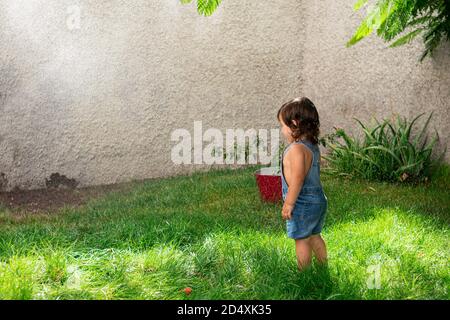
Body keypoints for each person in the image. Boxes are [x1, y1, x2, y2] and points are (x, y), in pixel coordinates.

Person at [277, 97, 328, 271]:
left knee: (302, 240)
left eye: (283, 126)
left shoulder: (297, 149)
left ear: (294, 123)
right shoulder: (312, 146)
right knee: (314, 236)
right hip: (318, 199)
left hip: (302, 202)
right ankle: (322, 268)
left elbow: (298, 179)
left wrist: (289, 203)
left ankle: (304, 274)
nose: (282, 131)